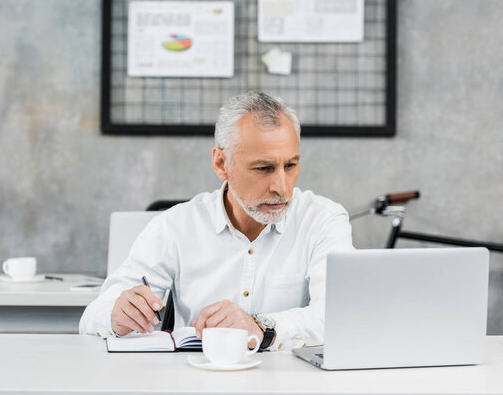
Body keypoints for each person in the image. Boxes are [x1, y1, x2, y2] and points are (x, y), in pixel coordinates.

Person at [79, 91, 353, 351]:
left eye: (290, 166)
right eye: (264, 168)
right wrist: (116, 314)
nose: (281, 187)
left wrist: (262, 328)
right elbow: (93, 317)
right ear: (221, 163)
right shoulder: (176, 226)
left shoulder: (324, 221)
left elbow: (341, 316)